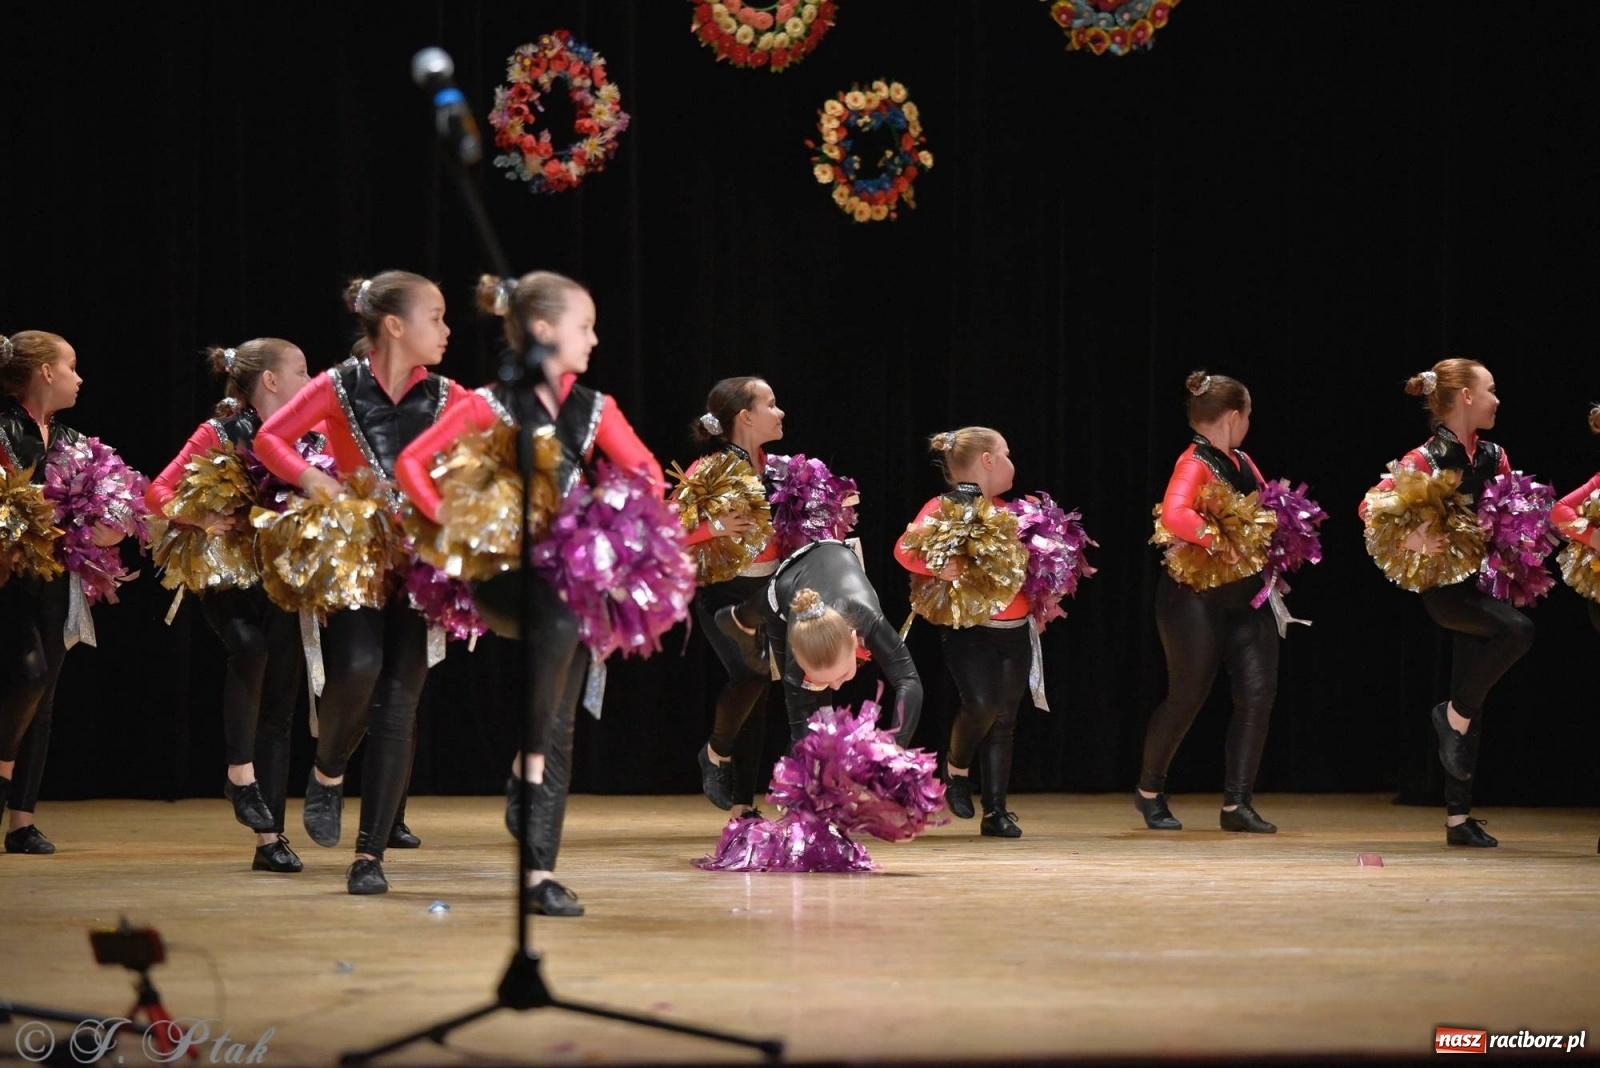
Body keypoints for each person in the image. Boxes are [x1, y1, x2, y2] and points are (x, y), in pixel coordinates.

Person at [395, 270, 662, 917]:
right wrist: (459, 527)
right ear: (545, 332)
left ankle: (538, 870)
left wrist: (614, 517)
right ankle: (531, 764)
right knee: (562, 621)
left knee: (564, 711)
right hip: (505, 580)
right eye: (585, 327)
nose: (595, 339)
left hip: (566, 587)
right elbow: (411, 465)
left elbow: (649, 476)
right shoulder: (489, 402)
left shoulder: (594, 408)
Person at [254, 271, 464, 894]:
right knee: (358, 667)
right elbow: (270, 438)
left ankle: (369, 856)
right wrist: (314, 480)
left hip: (420, 558)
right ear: (394, 325)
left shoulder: (452, 395)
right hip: (355, 553)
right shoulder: (337, 386)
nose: (447, 330)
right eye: (437, 315)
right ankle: (327, 769)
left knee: (400, 704)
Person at [146, 339, 317, 873]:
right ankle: (238, 773)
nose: (311, 381)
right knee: (249, 649)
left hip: (283, 573)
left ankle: (270, 840)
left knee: (281, 707)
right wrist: (198, 519)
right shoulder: (217, 433)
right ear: (269, 381)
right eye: (302, 371)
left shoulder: (304, 438)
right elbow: (156, 494)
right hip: (228, 572)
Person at [1367, 359, 1529, 848]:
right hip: (1446, 592)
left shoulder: (1494, 454)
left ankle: (1458, 820)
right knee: (1517, 633)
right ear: (1465, 398)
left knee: (1472, 696)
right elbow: (1371, 505)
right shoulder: (1426, 458)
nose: (1498, 399)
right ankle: (1449, 714)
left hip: (1483, 585)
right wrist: (1414, 537)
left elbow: (1507, 505)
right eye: (1491, 389)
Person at [0, 330, 129, 855]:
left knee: (45, 695)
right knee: (26, 678)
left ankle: (21, 822)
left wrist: (111, 528)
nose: (80, 377)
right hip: (6, 580)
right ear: (46, 373)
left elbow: (117, 508)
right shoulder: (3, 431)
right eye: (71, 366)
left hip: (53, 581)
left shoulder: (76, 443)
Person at [1136, 371, 1280, 834]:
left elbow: (1267, 505)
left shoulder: (1240, 459)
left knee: (1258, 693)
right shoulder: (1194, 462)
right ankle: (1149, 791)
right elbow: (1175, 513)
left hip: (1245, 595)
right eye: (1250, 415)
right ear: (1235, 416)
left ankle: (1237, 804)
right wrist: (1217, 542)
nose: (1250, 423)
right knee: (1187, 696)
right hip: (1191, 599)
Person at [894, 427, 1031, 838]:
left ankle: (996, 812)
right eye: (1006, 454)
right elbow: (904, 548)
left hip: (1017, 629)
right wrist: (935, 566)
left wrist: (1041, 600)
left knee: (1005, 720)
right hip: (970, 628)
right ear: (987, 461)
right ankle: (956, 769)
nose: (1012, 462)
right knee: (982, 705)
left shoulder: (1014, 512)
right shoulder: (943, 507)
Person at [678, 377, 785, 816]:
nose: (780, 413)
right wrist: (714, 528)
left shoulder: (782, 470)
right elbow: (669, 528)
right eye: (772, 404)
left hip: (768, 591)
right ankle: (715, 753)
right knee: (753, 675)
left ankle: (744, 808)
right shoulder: (708, 470)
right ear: (746, 416)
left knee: (758, 698)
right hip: (722, 591)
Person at [717, 541, 922, 749]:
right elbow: (800, 732)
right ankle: (736, 620)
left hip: (834, 556)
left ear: (853, 640)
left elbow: (909, 681)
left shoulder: (869, 620)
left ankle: (736, 621)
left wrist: (896, 748)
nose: (835, 686)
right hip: (784, 590)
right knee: (811, 726)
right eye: (829, 678)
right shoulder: (796, 650)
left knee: (822, 721)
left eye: (841, 675)